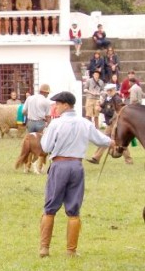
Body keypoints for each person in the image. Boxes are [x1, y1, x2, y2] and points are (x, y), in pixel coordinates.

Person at [38, 91, 113, 258]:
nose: (55, 107)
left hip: (59, 165)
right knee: (73, 209)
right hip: (77, 166)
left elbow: (45, 147)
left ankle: (44, 248)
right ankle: (71, 251)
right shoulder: (84, 123)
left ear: (65, 105)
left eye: (57, 104)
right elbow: (101, 139)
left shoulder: (55, 124)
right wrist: (112, 142)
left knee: (50, 207)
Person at [86, 83, 132, 165]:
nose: (108, 92)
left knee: (118, 141)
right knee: (106, 140)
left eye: (110, 90)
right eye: (107, 90)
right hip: (110, 123)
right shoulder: (108, 98)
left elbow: (113, 112)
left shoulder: (117, 99)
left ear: (114, 90)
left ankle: (128, 160)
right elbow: (104, 106)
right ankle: (96, 157)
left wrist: (100, 110)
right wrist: (100, 104)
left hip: (115, 123)